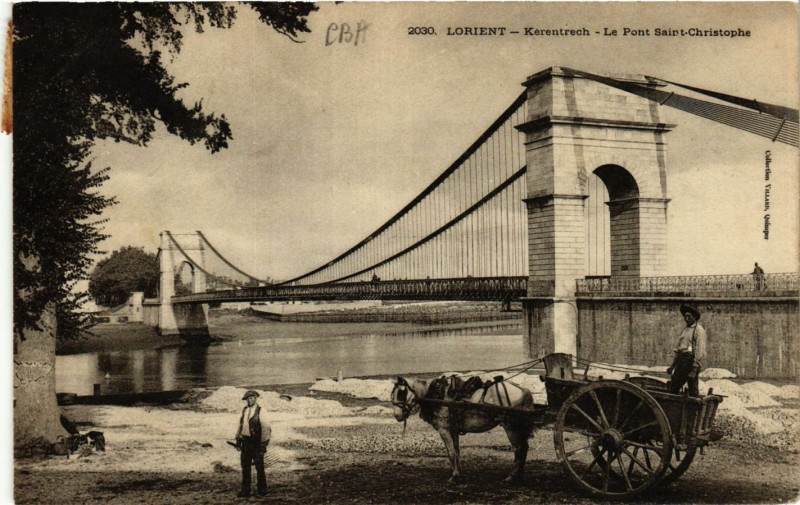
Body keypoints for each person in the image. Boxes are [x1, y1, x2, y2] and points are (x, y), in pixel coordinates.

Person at [235, 390, 271, 498]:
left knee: (259, 467)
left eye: (251, 398)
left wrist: (263, 445)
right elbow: (241, 425)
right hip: (245, 442)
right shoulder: (245, 410)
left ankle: (262, 490)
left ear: (256, 398)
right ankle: (245, 490)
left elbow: (266, 428)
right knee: (245, 467)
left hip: (256, 442)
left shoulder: (261, 411)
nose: (249, 401)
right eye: (247, 399)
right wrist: (238, 439)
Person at [666, 304, 707, 396]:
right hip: (682, 361)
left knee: (692, 387)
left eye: (689, 316)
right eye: (685, 316)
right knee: (675, 385)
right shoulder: (685, 330)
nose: (686, 318)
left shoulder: (699, 331)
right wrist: (672, 366)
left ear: (695, 317)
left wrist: (694, 369)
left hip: (690, 361)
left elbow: (700, 350)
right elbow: (679, 349)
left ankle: (694, 408)